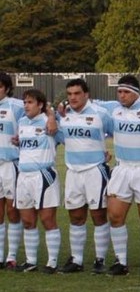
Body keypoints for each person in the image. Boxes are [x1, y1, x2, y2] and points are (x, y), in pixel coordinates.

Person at [103, 75, 140, 276]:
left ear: (137, 92)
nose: (122, 96)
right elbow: (89, 105)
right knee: (115, 215)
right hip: (121, 168)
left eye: (126, 92)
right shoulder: (113, 108)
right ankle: (121, 261)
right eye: (119, 91)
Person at [51, 79, 112, 274]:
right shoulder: (64, 116)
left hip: (95, 170)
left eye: (77, 93)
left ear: (86, 94)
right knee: (76, 216)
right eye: (69, 94)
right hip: (73, 171)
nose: (73, 97)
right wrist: (53, 114)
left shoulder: (101, 113)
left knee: (98, 215)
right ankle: (76, 260)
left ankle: (100, 260)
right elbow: (57, 134)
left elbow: (119, 129)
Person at [13, 89, 61, 272]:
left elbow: (58, 132)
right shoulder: (22, 122)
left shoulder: (49, 121)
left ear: (40, 104)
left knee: (48, 219)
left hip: (44, 175)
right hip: (23, 176)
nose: (26, 105)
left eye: (30, 102)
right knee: (27, 220)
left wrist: (50, 114)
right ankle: (31, 261)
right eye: (25, 102)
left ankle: (52, 262)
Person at [0, 73, 26, 269]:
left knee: (13, 210)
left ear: (7, 88)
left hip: (10, 164)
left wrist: (51, 116)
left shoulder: (16, 106)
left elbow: (42, 114)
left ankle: (11, 256)